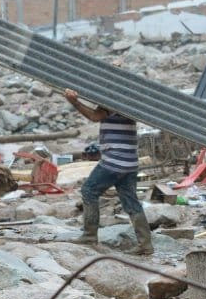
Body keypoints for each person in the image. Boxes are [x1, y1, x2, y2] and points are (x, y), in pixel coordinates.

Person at [64, 89, 152, 255]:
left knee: (88, 190)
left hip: (114, 161)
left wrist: (74, 101)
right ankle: (145, 244)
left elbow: (95, 116)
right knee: (131, 202)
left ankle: (89, 236)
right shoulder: (130, 101)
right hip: (130, 163)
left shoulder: (112, 98)